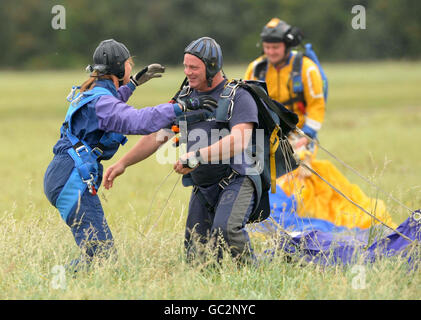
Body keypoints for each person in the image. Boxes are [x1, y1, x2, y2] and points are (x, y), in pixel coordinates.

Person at [43, 39, 212, 271]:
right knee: (101, 257)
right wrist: (180, 107)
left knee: (101, 254)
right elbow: (138, 120)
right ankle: (57, 281)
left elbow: (110, 107)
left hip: (63, 174)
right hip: (71, 178)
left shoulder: (93, 92)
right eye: (129, 65)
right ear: (120, 67)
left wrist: (132, 84)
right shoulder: (101, 102)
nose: (131, 68)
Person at [105, 37, 263, 265]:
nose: (187, 72)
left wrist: (196, 155)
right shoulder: (186, 97)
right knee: (196, 256)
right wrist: (123, 163)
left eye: (194, 67)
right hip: (203, 187)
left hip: (237, 179)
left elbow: (239, 140)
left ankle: (252, 276)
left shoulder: (238, 96)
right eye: (185, 66)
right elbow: (159, 136)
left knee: (227, 230)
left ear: (211, 67)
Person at [245, 19, 395, 232]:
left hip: (299, 135)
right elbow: (247, 102)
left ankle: (301, 224)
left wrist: (307, 134)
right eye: (267, 47)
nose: (270, 52)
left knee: (294, 177)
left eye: (275, 47)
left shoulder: (306, 69)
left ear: (287, 46)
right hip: (267, 136)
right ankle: (265, 218)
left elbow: (316, 105)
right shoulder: (256, 68)